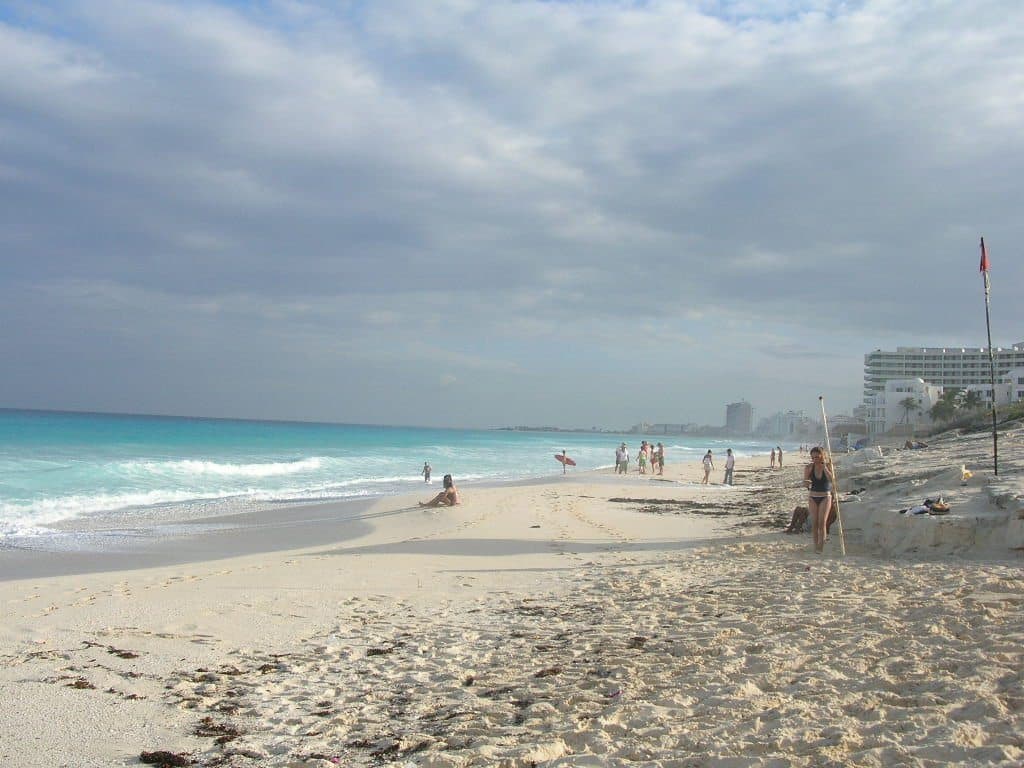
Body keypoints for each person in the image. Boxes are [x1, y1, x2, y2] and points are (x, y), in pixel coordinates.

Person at [803, 447, 834, 553]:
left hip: (825, 496)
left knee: (822, 523)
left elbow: (832, 480)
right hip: (813, 496)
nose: (814, 459)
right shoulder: (808, 467)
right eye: (812, 457)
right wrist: (806, 483)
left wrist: (825, 468)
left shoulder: (828, 465)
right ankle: (816, 545)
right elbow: (805, 482)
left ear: (822, 456)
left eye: (817, 457)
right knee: (814, 523)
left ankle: (820, 547)